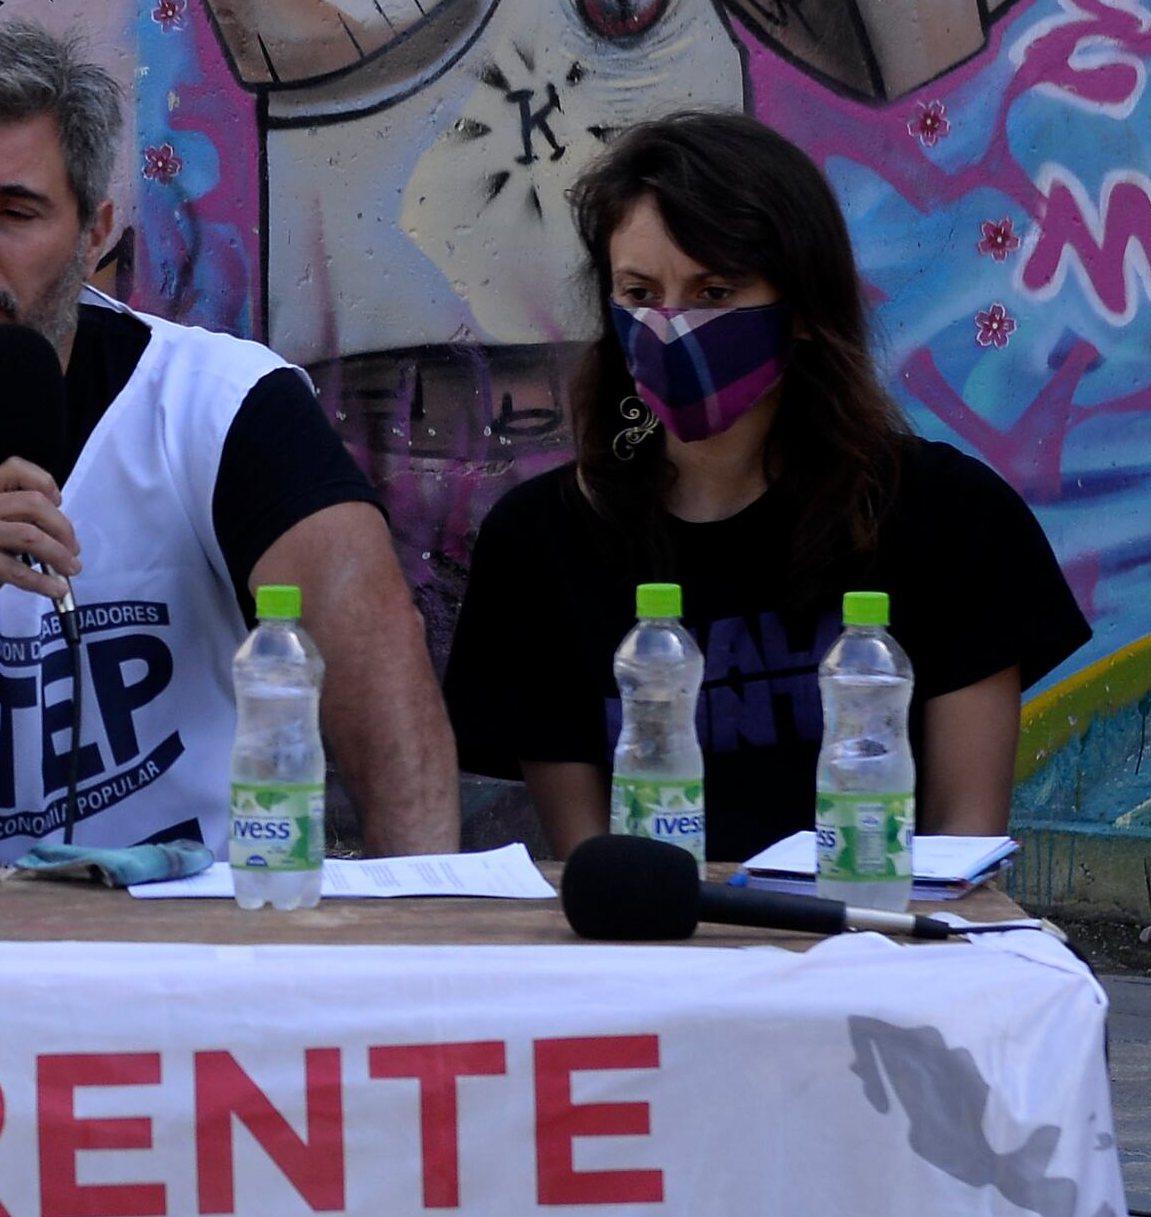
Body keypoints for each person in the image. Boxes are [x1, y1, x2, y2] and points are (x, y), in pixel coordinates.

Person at [0, 23, 458, 864]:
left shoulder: (225, 406)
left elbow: (375, 656)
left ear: (95, 230)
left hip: (184, 939)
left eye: (16, 212)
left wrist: (421, 932)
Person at [443, 110, 1087, 860]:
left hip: (874, 956)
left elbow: (961, 849)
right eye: (641, 293)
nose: (672, 326)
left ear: (805, 310)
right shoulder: (542, 544)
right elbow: (590, 863)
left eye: (715, 292)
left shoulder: (950, 519)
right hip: (653, 961)